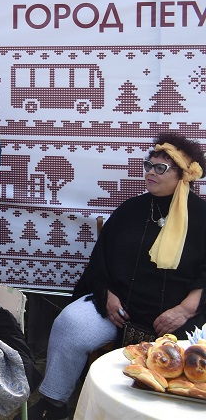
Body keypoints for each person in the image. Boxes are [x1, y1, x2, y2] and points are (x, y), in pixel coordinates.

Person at [30, 132, 206, 419]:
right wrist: (107, 296)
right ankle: (54, 399)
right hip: (121, 310)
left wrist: (184, 311)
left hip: (180, 317)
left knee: (193, 360)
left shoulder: (201, 217)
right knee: (71, 323)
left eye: (160, 168)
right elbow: (101, 261)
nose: (150, 172)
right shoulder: (130, 210)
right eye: (148, 165)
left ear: (183, 175)